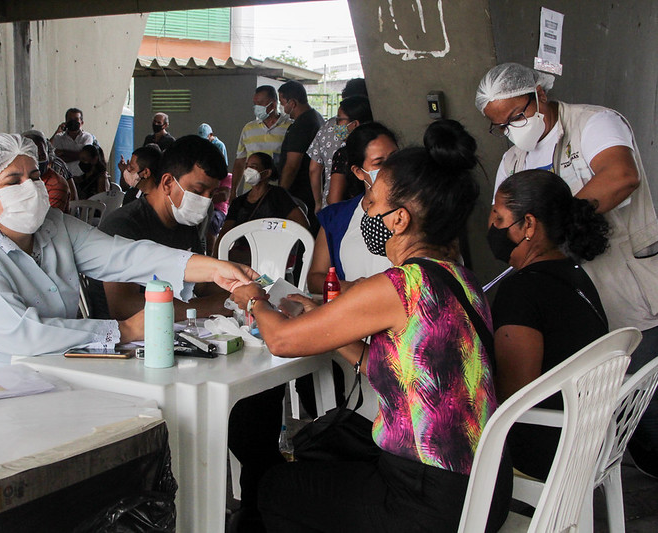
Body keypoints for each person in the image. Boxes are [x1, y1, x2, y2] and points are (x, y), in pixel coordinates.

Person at [231, 120, 511, 533]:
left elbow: (282, 339)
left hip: (426, 502)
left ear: (398, 221)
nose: (367, 212)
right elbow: (398, 365)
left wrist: (252, 297)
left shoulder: (397, 285)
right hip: (484, 489)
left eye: (373, 204)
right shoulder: (462, 280)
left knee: (277, 487)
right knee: (327, 458)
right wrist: (324, 322)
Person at [0, 133, 255, 373]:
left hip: (56, 369)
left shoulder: (53, 225)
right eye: (13, 182)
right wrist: (124, 330)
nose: (30, 188)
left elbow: (124, 256)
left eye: (33, 176)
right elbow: (23, 334)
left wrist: (214, 269)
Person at [476, 62, 658, 476]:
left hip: (629, 287)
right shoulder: (514, 159)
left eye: (516, 116)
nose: (511, 128)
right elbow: (501, 219)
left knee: (646, 406)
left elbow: (620, 176)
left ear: (539, 94)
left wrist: (559, 225)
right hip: (571, 295)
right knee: (600, 401)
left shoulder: (594, 123)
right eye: (500, 125)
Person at [489, 169, 610, 480]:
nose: (491, 228)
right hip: (589, 440)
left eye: (499, 219)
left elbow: (513, 396)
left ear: (528, 224)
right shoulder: (575, 274)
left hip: (545, 451)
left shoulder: (522, 290)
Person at [88, 135, 230, 321]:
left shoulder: (183, 221)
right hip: (122, 339)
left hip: (173, 327)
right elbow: (123, 306)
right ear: (167, 183)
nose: (205, 201)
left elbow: (201, 284)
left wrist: (239, 289)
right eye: (197, 191)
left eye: (211, 194)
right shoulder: (123, 226)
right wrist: (210, 307)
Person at [307, 123, 398, 294]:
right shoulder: (337, 217)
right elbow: (315, 278)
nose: (391, 168)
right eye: (379, 163)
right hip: (354, 313)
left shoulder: (417, 210)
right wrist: (348, 287)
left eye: (395, 158)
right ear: (358, 172)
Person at [215, 151, 309, 262]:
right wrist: (215, 259)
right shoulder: (238, 202)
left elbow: (302, 223)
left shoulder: (278, 195)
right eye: (247, 166)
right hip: (243, 252)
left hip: (276, 252)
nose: (248, 170)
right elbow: (224, 233)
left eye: (253, 167)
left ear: (267, 173)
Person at [307, 78, 369, 212]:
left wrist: (318, 202)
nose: (337, 124)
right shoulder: (378, 138)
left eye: (340, 119)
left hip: (334, 209)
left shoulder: (327, 128)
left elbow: (314, 169)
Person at [230, 86, 293, 200]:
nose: (256, 107)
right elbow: (240, 162)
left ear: (273, 105)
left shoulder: (290, 127)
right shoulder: (248, 129)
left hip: (278, 194)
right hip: (251, 193)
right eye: (255, 103)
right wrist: (233, 191)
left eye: (260, 104)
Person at [277, 81, 325, 227]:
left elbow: (292, 165)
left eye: (282, 102)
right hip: (312, 191)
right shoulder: (316, 117)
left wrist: (280, 195)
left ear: (292, 103)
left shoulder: (302, 125)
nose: (282, 107)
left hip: (301, 194)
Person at [322, 96, 374, 205]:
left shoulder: (344, 154)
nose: (336, 125)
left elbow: (334, 200)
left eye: (339, 120)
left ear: (354, 124)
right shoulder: (376, 148)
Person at [22, 130, 76, 212]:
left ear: (48, 156)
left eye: (42, 156)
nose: (38, 160)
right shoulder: (18, 179)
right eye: (33, 156)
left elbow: (48, 219)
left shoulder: (56, 184)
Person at [50, 108, 96, 178]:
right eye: (70, 119)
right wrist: (79, 155)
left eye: (76, 119)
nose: (73, 122)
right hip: (63, 178)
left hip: (83, 177)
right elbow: (58, 159)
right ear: (66, 122)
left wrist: (63, 152)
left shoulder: (87, 137)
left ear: (82, 122)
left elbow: (86, 158)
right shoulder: (58, 138)